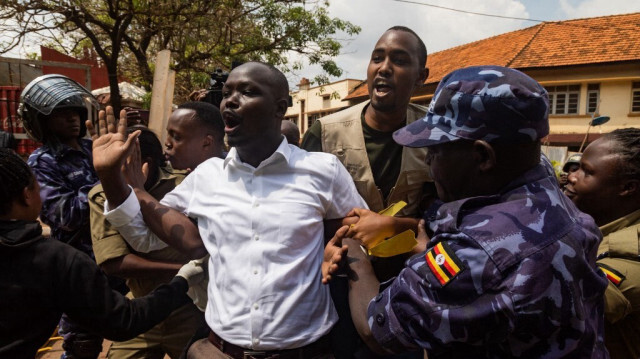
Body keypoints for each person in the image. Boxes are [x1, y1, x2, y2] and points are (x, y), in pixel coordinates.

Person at [323, 65, 609, 358]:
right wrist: (403, 228)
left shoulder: (477, 252)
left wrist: (356, 254)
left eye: (435, 150)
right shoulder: (544, 184)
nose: (428, 162)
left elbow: (379, 330)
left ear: (483, 156)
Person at [90, 61, 367, 359]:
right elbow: (145, 238)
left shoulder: (322, 170)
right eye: (227, 93)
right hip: (222, 351)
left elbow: (359, 236)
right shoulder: (207, 176)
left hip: (309, 351)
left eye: (247, 92)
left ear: (279, 108)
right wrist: (111, 179)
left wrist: (333, 249)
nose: (231, 100)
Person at [301, 26, 432, 358]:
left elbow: (448, 218)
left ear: (421, 76)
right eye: (377, 58)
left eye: (399, 60)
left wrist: (393, 226)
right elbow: (301, 213)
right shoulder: (325, 132)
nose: (384, 68)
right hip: (338, 282)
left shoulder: (434, 136)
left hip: (410, 284)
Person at [0, 147, 204, 359]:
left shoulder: (184, 186)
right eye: (38, 186)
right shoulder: (55, 260)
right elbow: (123, 320)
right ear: (27, 196)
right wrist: (182, 280)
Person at [89, 126, 216, 358]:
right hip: (142, 307)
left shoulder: (185, 186)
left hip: (188, 307)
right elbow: (114, 263)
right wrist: (185, 273)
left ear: (143, 163)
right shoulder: (104, 194)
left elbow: (193, 242)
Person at [19, 74, 110, 358]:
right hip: (78, 265)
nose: (72, 120)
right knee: (82, 344)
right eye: (61, 115)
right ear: (42, 121)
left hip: (116, 257)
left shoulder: (92, 148)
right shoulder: (42, 162)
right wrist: (108, 184)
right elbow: (65, 214)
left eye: (75, 112)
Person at [564, 128, 640, 358]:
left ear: (627, 188)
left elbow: (565, 305)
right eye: (576, 167)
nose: (572, 176)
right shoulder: (594, 223)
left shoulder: (630, 257)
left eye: (587, 172)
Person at [165, 101, 227, 171]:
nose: (167, 143)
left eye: (176, 137)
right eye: (168, 134)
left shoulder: (233, 177)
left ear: (206, 142)